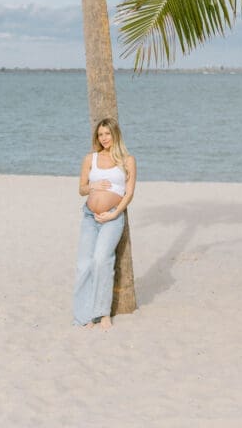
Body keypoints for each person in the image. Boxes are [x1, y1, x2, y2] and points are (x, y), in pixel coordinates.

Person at [73, 117, 136, 330]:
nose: (104, 138)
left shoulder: (127, 160)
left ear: (115, 134)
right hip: (90, 217)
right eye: (100, 134)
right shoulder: (90, 158)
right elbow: (81, 188)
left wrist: (114, 214)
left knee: (101, 260)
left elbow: (129, 193)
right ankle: (84, 316)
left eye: (107, 134)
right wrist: (93, 185)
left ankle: (102, 313)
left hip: (112, 218)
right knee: (84, 265)